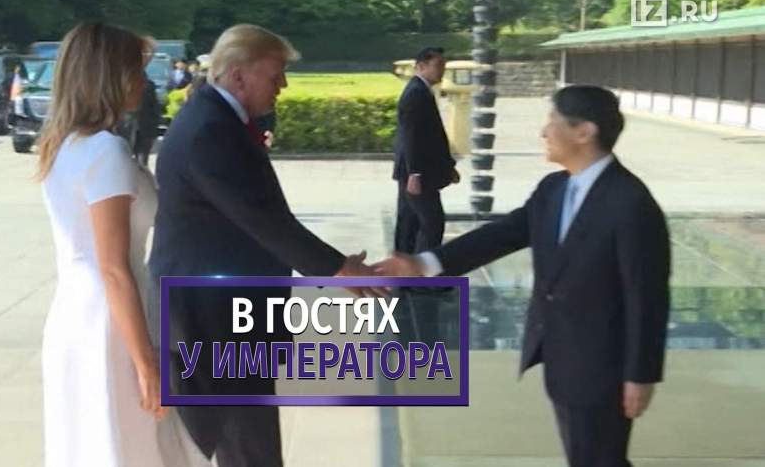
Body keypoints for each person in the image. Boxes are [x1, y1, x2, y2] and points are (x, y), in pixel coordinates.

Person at [377, 85, 672, 467]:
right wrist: (424, 263)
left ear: (584, 132)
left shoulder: (630, 204)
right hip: (563, 354)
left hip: (604, 363)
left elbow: (647, 297)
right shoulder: (555, 188)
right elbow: (504, 234)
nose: (543, 131)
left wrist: (640, 374)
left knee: (599, 458)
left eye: (552, 121)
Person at [148, 23, 382, 467]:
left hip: (226, 312)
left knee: (246, 443)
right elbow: (263, 220)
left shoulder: (215, 118)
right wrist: (339, 269)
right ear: (239, 75)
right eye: (275, 75)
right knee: (214, 446)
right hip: (208, 318)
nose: (283, 85)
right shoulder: (209, 130)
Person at [35, 22, 168, 466]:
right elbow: (112, 267)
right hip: (110, 325)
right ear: (110, 76)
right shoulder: (105, 152)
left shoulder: (63, 146)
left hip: (78, 315)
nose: (144, 81)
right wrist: (146, 364)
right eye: (137, 70)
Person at [392, 46, 459, 256]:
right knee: (432, 222)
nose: (442, 70)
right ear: (421, 66)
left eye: (443, 65)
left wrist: (448, 166)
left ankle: (405, 264)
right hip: (418, 172)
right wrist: (415, 173)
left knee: (409, 222)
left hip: (416, 170)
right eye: (438, 65)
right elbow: (412, 137)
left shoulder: (421, 91)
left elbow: (431, 136)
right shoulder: (415, 94)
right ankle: (423, 268)